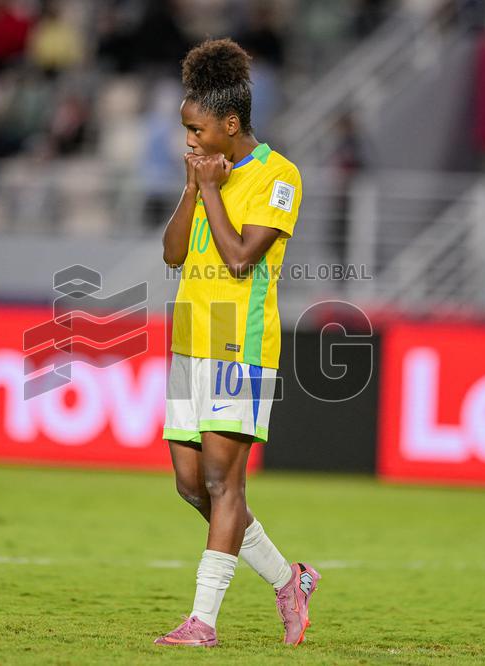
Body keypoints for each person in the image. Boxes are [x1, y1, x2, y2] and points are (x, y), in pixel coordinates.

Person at [156, 38, 320, 648]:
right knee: (190, 485)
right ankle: (289, 580)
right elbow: (173, 253)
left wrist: (212, 191)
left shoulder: (279, 176)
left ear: (230, 124)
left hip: (238, 343)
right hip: (189, 336)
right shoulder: (205, 173)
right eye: (185, 130)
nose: (189, 141)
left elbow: (241, 258)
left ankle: (202, 622)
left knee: (226, 485)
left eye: (196, 130)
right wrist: (193, 188)